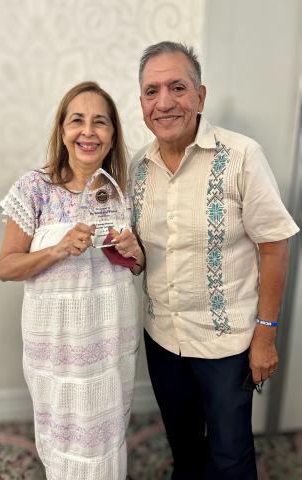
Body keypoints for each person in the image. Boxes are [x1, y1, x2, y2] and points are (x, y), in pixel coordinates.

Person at [130, 41, 299, 480]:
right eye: (151, 91)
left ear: (200, 96)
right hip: (163, 338)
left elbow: (275, 244)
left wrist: (265, 334)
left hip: (226, 344)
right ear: (141, 102)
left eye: (177, 87)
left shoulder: (242, 155)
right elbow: (144, 252)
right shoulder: (137, 168)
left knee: (230, 457)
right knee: (184, 447)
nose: (164, 102)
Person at [0, 81, 145, 480]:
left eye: (101, 122)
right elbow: (6, 267)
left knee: (106, 436)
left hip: (109, 339)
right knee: (64, 440)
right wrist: (58, 249)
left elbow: (136, 266)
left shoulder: (122, 192)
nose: (88, 131)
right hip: (57, 346)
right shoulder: (34, 188)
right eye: (77, 120)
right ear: (62, 131)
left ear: (113, 135)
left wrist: (135, 253)